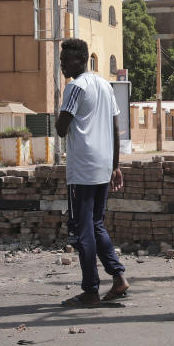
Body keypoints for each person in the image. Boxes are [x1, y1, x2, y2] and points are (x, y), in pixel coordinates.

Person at [55, 38, 128, 307]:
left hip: (83, 170)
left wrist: (59, 115)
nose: (63, 64)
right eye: (62, 60)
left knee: (82, 230)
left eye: (67, 60)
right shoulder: (104, 85)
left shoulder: (74, 87)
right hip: (101, 166)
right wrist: (115, 165)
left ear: (81, 60)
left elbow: (62, 128)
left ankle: (90, 290)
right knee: (96, 225)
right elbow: (115, 128)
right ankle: (118, 277)